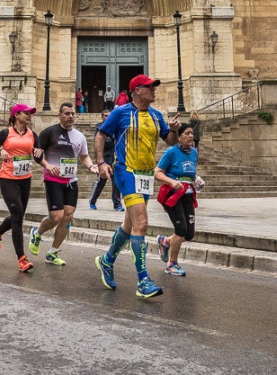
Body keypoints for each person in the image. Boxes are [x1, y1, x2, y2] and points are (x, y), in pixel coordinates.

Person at [94, 74, 180, 299]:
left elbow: (169, 141)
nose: (153, 90)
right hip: (126, 171)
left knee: (130, 225)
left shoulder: (156, 115)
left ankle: (106, 261)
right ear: (136, 91)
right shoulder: (120, 113)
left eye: (154, 87)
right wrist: (101, 162)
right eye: (149, 87)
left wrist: (173, 130)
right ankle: (143, 281)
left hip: (146, 175)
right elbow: (101, 135)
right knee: (141, 224)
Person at [28, 102, 98, 266]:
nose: (70, 116)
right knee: (56, 217)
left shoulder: (79, 136)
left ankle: (52, 252)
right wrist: (47, 165)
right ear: (59, 115)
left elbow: (84, 156)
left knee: (68, 216)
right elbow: (37, 154)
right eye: (67, 113)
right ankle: (37, 233)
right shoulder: (49, 132)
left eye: (73, 114)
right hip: (53, 180)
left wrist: (91, 166)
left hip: (71, 181)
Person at [0, 103, 42, 272]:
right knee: (17, 215)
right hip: (8, 179)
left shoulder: (33, 134)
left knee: (18, 215)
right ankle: (22, 259)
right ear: (17, 115)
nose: (29, 116)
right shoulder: (5, 133)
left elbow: (38, 157)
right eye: (26, 113)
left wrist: (39, 153)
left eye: (30, 113)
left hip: (25, 179)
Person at [155, 124, 205, 276]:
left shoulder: (194, 152)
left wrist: (197, 180)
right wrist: (171, 182)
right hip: (172, 195)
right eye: (187, 133)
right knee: (181, 230)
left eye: (191, 133)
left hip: (187, 194)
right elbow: (157, 172)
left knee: (189, 234)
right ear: (179, 137)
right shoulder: (171, 152)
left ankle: (165, 241)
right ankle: (172, 264)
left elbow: (190, 173)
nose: (191, 136)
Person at [88, 110, 123, 212]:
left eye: (109, 116)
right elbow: (100, 143)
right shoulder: (100, 128)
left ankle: (117, 204)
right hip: (104, 158)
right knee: (101, 181)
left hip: (115, 157)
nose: (107, 118)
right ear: (102, 117)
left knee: (116, 182)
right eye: (105, 116)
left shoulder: (116, 127)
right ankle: (92, 201)